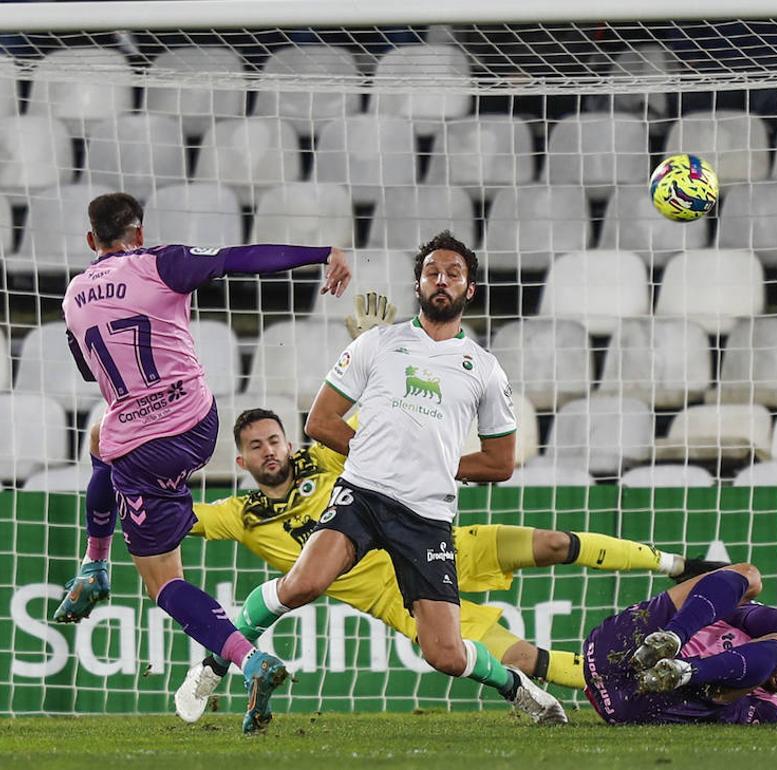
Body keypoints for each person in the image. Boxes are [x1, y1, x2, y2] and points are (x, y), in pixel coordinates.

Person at [168, 396, 722, 722]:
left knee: (554, 543)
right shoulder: (241, 515)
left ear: (288, 442)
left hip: (437, 542)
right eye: (258, 447)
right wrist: (133, 470)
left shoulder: (326, 455)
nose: (271, 452)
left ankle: (677, 566)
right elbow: (176, 518)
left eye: (276, 440)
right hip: (402, 598)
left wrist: (364, 345)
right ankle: (636, 684)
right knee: (525, 656)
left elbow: (380, 412)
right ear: (242, 460)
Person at [230, 231, 566, 725]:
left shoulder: (486, 370)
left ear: (469, 289)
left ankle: (516, 687)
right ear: (418, 284)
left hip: (426, 514)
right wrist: (377, 453)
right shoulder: (378, 342)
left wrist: (432, 462)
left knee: (445, 655)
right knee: (303, 584)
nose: (442, 280)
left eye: (454, 274)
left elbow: (500, 462)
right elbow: (319, 423)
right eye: (433, 272)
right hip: (362, 494)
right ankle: (217, 660)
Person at [58, 192, 351, 734]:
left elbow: (86, 371)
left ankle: (246, 658)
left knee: (163, 582)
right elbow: (239, 258)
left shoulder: (74, 296)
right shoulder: (159, 262)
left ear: (90, 241)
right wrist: (321, 252)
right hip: (198, 422)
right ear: (138, 234)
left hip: (144, 448)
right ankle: (94, 566)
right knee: (103, 437)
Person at [583, 563, 777, 725]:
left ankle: (684, 669)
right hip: (618, 649)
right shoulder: (743, 617)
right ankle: (673, 638)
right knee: (749, 576)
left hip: (644, 702)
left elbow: (719, 701)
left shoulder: (770, 708)